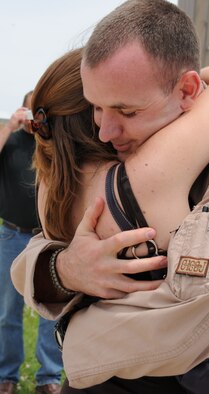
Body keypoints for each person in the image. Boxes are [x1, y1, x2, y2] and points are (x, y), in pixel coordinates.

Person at [11, 0, 209, 392]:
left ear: (187, 90)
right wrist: (65, 268)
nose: (105, 131)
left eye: (126, 109)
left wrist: (80, 339)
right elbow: (39, 251)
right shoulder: (125, 158)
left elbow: (199, 302)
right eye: (97, 109)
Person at [0, 92, 63, 394]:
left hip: (47, 237)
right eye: (29, 110)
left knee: (49, 310)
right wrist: (10, 126)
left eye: (39, 112)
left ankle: (49, 378)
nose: (33, 118)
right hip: (11, 235)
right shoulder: (10, 140)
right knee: (7, 312)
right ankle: (6, 376)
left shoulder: (51, 145)